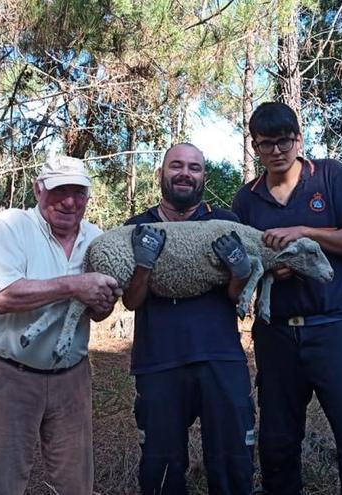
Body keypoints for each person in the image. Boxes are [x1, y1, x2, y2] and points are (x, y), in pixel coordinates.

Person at [231, 102, 342, 495]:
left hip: (333, 328)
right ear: (255, 146)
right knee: (278, 446)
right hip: (275, 334)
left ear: (298, 140)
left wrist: (306, 232)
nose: (276, 151)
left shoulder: (331, 177)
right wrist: (272, 269)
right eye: (265, 143)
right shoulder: (246, 200)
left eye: (284, 140)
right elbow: (242, 262)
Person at [0, 154, 121, 495]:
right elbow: (3, 297)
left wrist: (102, 301)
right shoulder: (12, 226)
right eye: (59, 190)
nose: (69, 202)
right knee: (2, 484)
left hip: (72, 380)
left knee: (76, 484)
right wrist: (74, 285)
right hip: (10, 379)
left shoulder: (96, 238)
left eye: (79, 192)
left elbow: (98, 313)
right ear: (38, 190)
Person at [122, 143, 256, 494]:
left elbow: (236, 295)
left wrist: (241, 271)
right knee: (160, 471)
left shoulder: (225, 223)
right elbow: (132, 301)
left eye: (194, 168)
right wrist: (143, 264)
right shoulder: (136, 227)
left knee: (233, 466)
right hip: (158, 362)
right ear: (161, 173)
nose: (185, 173)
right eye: (176, 166)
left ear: (203, 177)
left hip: (220, 358)